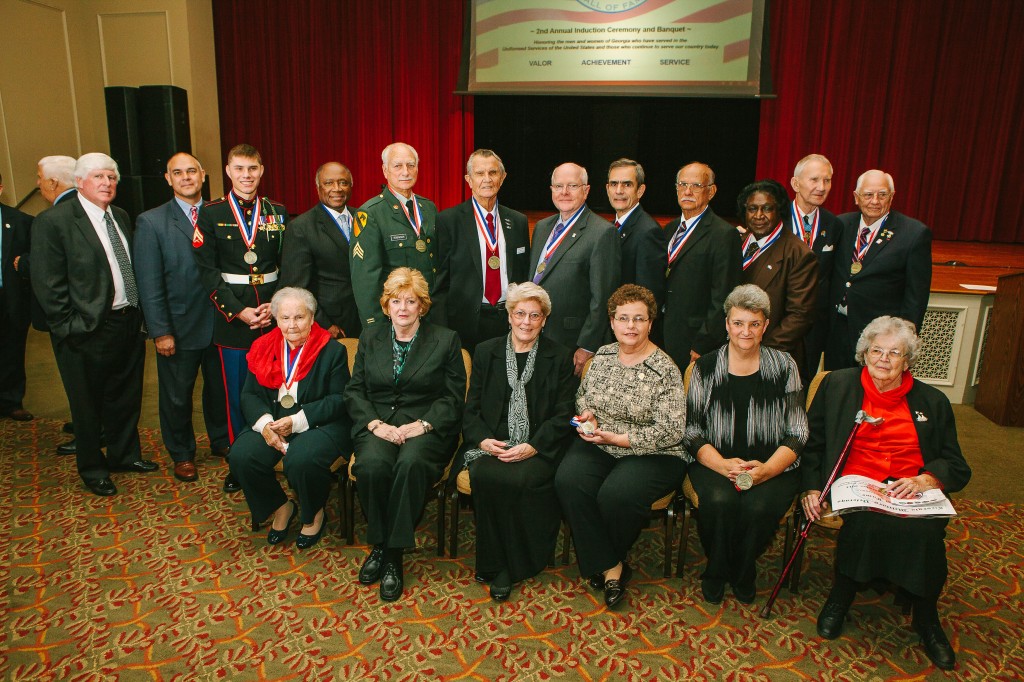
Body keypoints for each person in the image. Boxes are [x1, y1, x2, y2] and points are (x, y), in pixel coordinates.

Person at [802, 316, 971, 671]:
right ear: (864, 353)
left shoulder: (933, 401)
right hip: (855, 484)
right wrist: (812, 486)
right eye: (876, 350)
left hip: (912, 487)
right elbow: (813, 445)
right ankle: (841, 596)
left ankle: (926, 617)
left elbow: (956, 464)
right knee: (864, 525)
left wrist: (926, 480)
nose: (883, 358)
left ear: (907, 360)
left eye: (894, 353)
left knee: (926, 535)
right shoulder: (838, 386)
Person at [30, 153, 156, 496]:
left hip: (128, 321)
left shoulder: (120, 215)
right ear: (79, 182)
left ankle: (124, 454)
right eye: (98, 177)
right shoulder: (53, 222)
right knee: (87, 404)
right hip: (85, 330)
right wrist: (70, 326)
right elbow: (48, 285)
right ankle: (92, 467)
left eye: (112, 178)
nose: (107, 183)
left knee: (125, 395)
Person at [555, 284, 687, 609]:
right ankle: (612, 564)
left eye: (639, 319)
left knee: (616, 495)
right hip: (601, 442)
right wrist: (587, 416)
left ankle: (603, 563)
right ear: (612, 321)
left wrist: (618, 439)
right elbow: (583, 396)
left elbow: (671, 430)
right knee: (568, 480)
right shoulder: (601, 357)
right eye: (623, 318)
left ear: (650, 323)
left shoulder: (665, 368)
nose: (631, 326)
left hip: (654, 452)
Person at [344, 267, 466, 602]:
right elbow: (355, 391)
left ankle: (391, 553)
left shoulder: (446, 339)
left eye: (410, 301)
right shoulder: (370, 338)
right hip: (379, 423)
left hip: (425, 425)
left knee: (411, 464)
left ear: (422, 306)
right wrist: (375, 424)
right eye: (395, 301)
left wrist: (422, 425)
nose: (402, 308)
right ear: (385, 306)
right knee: (370, 466)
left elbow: (453, 397)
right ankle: (382, 544)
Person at [683, 284, 807, 604]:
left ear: (766, 325)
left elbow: (797, 432)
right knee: (721, 502)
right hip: (715, 460)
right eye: (738, 323)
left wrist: (766, 470)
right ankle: (717, 569)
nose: (745, 331)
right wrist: (722, 464)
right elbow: (692, 429)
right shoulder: (705, 367)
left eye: (754, 323)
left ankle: (743, 568)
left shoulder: (784, 366)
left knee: (758, 506)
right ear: (727, 324)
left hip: (772, 462)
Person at [460, 282, 577, 601]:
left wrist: (534, 445)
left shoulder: (560, 356)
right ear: (509, 316)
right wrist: (483, 441)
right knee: (486, 473)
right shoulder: (486, 351)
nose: (526, 322)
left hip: (539, 447)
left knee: (520, 478)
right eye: (520, 313)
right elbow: (471, 408)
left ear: (545, 320)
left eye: (535, 315)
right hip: (493, 444)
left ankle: (515, 564)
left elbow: (565, 413)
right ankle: (493, 560)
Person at [192, 143, 288, 494]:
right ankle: (240, 462)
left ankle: (276, 454)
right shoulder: (212, 212)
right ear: (228, 171)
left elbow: (285, 264)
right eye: (239, 169)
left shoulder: (278, 211)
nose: (246, 175)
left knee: (277, 389)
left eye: (253, 168)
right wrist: (238, 310)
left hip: (274, 317)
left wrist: (276, 306)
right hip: (233, 320)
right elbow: (206, 271)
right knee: (235, 395)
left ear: (261, 171)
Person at [229, 287, 352, 549]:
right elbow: (250, 394)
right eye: (285, 318)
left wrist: (296, 422)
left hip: (319, 424)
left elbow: (339, 399)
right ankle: (281, 506)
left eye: (300, 317)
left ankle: (313, 512)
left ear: (312, 317)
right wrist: (264, 425)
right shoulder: (262, 347)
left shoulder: (331, 351)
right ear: (275, 319)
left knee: (301, 458)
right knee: (241, 455)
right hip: (273, 421)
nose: (292, 325)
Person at [134, 153, 230, 483]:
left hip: (221, 322)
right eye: (178, 172)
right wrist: (160, 330)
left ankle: (221, 441)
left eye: (191, 171)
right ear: (168, 178)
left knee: (220, 391)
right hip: (178, 326)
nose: (186, 177)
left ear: (203, 175)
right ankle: (182, 453)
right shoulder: (152, 222)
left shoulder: (221, 214)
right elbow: (149, 282)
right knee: (177, 395)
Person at [824, 170, 932, 369]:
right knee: (836, 386)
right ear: (856, 197)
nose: (875, 201)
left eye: (882, 195)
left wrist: (906, 335)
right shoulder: (840, 224)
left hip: (880, 336)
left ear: (892, 197)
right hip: (836, 328)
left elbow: (917, 292)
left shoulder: (914, 233)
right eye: (868, 195)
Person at [529, 162, 620, 376]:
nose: (564, 192)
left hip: (571, 342)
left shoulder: (602, 233)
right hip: (535, 334)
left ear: (586, 190)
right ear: (551, 190)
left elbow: (603, 297)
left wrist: (587, 345)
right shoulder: (542, 227)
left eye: (572, 186)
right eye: (558, 186)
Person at [436, 149, 530, 354]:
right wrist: (442, 331)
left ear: (502, 178)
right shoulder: (448, 221)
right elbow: (440, 282)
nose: (487, 179)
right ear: (468, 179)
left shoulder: (518, 221)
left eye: (493, 172)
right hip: (465, 324)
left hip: (509, 319)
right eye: (479, 173)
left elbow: (523, 275)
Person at [660, 162, 742, 371]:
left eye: (696, 185)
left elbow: (724, 295)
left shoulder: (723, 234)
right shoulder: (669, 229)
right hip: (661, 335)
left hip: (694, 340)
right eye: (682, 184)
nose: (687, 191)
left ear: (711, 191)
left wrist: (704, 342)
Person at [351, 143, 442, 328]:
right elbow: (366, 279)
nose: (405, 172)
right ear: (385, 170)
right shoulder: (370, 213)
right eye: (397, 166)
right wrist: (375, 325)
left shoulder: (429, 207)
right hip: (395, 319)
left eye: (411, 165)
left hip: (430, 314)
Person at [737, 180, 818, 374]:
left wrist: (760, 353)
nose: (758, 216)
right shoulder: (735, 243)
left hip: (771, 360)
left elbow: (799, 316)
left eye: (767, 209)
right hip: (733, 352)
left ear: (779, 210)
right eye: (752, 209)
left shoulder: (798, 253)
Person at [279, 162, 361, 340]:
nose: (337, 189)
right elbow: (297, 287)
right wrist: (323, 324)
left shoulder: (364, 218)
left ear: (351, 186)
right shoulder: (301, 227)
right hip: (330, 326)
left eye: (343, 183)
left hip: (365, 321)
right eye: (329, 183)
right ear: (318, 188)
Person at [785, 154, 841, 378]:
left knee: (804, 384)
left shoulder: (834, 224)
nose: (821, 187)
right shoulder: (775, 219)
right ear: (795, 183)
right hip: (778, 322)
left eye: (827, 180)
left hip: (814, 327)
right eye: (814, 180)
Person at [605, 158, 665, 305]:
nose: (619, 191)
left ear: (640, 190)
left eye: (627, 184)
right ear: (607, 189)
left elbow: (648, 296)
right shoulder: (609, 228)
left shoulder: (648, 232)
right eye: (614, 184)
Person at [0, 172, 35, 421]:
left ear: (1, 188)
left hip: (10, 297)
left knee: (12, 349)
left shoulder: (20, 221)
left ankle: (12, 401)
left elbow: (34, 258)